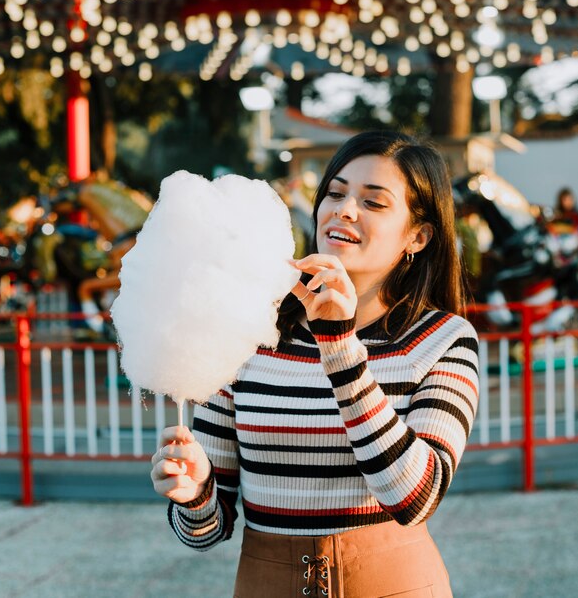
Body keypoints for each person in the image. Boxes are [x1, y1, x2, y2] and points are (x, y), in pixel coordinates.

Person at [151, 131, 479, 597]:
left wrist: (339, 346)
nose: (344, 209)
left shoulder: (442, 340)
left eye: (374, 202)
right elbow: (205, 530)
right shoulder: (253, 332)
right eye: (336, 192)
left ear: (418, 236)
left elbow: (415, 497)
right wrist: (195, 491)